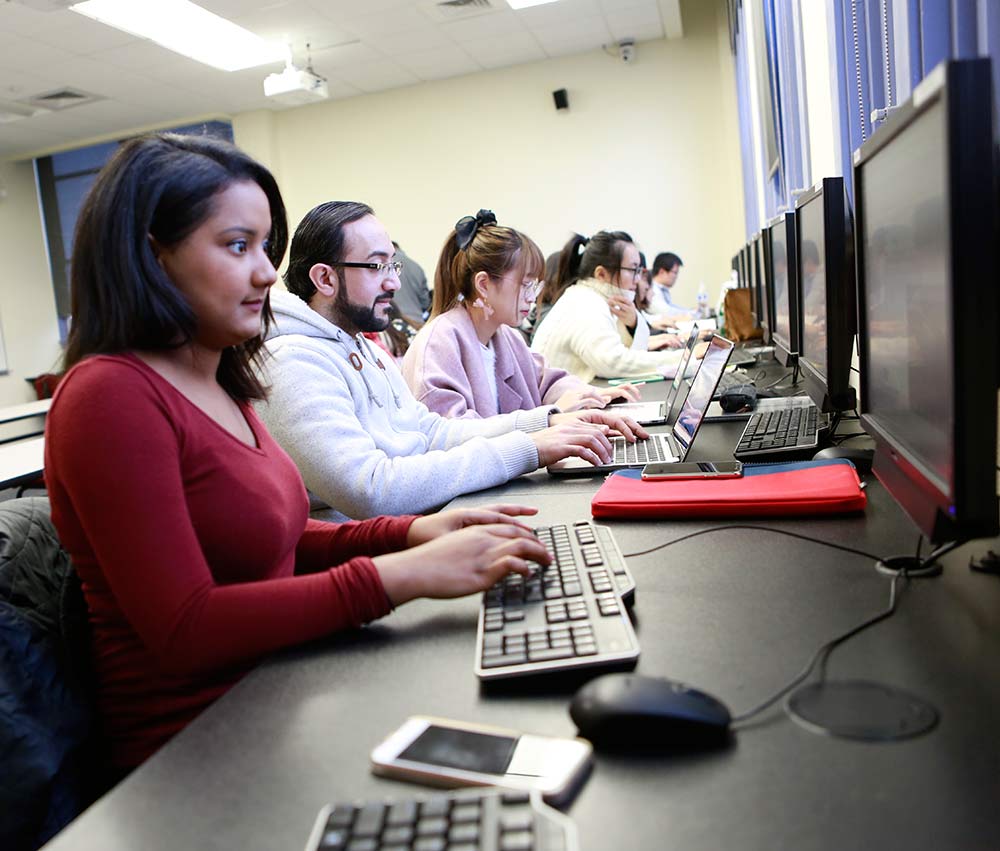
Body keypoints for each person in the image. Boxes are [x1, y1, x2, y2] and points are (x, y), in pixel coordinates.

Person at [44, 133, 554, 772]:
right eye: (238, 246)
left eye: (265, 247)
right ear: (152, 256)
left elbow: (278, 535)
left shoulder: (217, 375)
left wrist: (409, 534)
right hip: (201, 749)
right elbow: (185, 628)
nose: (266, 272)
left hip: (286, 682)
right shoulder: (109, 396)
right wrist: (400, 575)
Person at [257, 201, 644, 521]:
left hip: (414, 527)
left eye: (393, 266)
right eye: (377, 266)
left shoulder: (365, 349)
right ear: (325, 279)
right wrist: (529, 449)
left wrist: (547, 423)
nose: (394, 283)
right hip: (365, 555)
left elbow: (432, 432)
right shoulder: (292, 363)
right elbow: (371, 489)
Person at [400, 210, 643, 420]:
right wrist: (550, 416)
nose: (532, 296)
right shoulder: (439, 344)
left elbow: (546, 380)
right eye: (526, 284)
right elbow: (455, 435)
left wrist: (592, 394)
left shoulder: (506, 336)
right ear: (483, 284)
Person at [530, 231, 694, 382]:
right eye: (633, 269)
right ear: (601, 274)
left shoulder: (593, 298)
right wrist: (683, 358)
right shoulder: (585, 304)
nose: (637, 279)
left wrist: (633, 324)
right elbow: (613, 362)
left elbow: (625, 352)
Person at [646, 252, 696, 323]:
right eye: (675, 272)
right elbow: (666, 312)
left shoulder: (662, 289)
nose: (676, 276)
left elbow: (671, 307)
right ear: (662, 272)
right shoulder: (651, 289)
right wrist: (691, 313)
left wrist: (690, 311)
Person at [390, 240, 431, 323]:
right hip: (417, 323)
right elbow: (425, 303)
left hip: (393, 322)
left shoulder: (384, 265)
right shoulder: (417, 267)